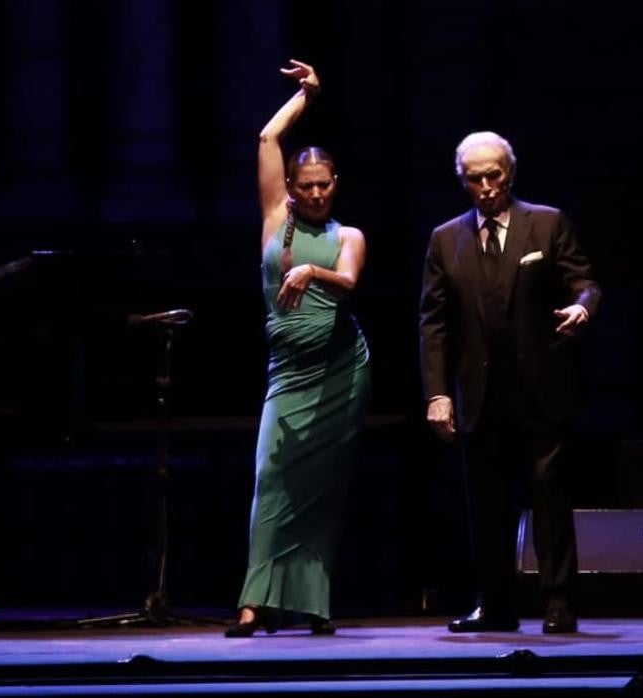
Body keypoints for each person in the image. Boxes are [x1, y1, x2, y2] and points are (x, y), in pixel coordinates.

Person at [419, 132, 601, 634]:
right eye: (474, 178)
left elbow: (584, 280)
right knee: (487, 505)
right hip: (479, 393)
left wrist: (583, 307)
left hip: (540, 388)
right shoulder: (445, 238)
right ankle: (495, 603)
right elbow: (434, 322)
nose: (485, 186)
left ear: (510, 173)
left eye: (493, 175)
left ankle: (558, 602)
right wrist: (437, 393)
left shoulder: (544, 222)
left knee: (548, 496)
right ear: (463, 181)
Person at [226, 60, 371, 638]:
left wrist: (313, 269)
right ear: (291, 187)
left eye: (323, 185)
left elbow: (352, 283)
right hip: (288, 374)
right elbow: (267, 137)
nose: (313, 194)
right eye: (304, 185)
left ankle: (313, 603)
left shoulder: (348, 237)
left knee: (321, 492)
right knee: (271, 477)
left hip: (341, 371)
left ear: (335, 186)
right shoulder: (273, 219)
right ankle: (254, 605)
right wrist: (306, 97)